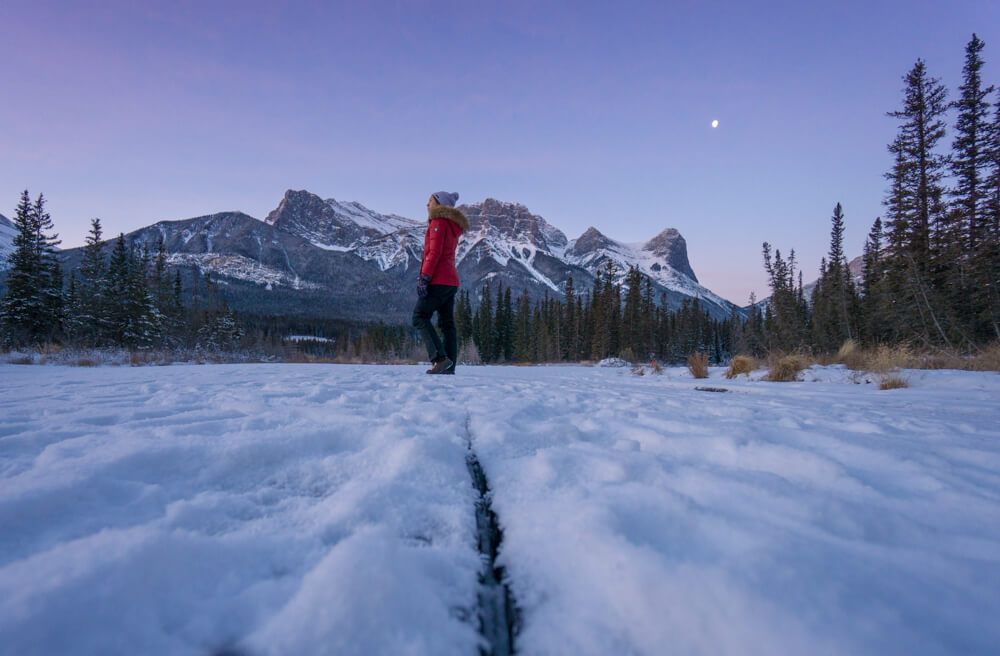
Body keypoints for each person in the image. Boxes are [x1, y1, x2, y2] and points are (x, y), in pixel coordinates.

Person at [412, 191, 468, 374]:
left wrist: (424, 278)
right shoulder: (452, 226)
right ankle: (448, 367)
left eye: (430, 201)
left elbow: (433, 253)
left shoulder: (438, 223)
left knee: (419, 316)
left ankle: (440, 358)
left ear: (440, 204)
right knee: (446, 324)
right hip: (451, 281)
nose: (427, 205)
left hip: (439, 279)